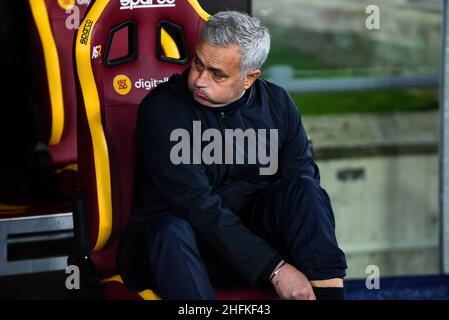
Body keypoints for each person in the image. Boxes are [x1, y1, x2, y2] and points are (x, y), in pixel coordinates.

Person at [117, 10, 347, 300]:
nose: (200, 80)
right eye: (198, 63)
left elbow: (303, 186)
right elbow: (197, 207)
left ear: (250, 78)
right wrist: (275, 269)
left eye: (217, 74)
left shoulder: (278, 103)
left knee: (305, 191)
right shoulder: (162, 110)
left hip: (252, 239)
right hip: (186, 248)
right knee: (169, 229)